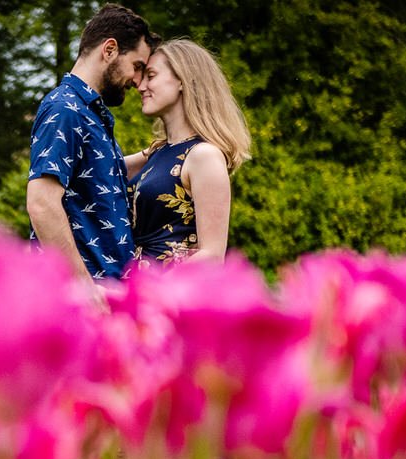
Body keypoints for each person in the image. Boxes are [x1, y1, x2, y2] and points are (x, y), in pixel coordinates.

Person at [26, 5, 159, 286]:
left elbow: (98, 177)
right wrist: (84, 286)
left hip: (105, 291)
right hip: (82, 297)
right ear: (109, 49)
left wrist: (156, 153)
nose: (137, 82)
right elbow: (41, 203)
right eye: (137, 67)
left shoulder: (87, 112)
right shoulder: (65, 108)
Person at [124, 38, 251, 270]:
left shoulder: (204, 155)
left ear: (183, 81)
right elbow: (107, 170)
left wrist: (153, 292)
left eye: (151, 76)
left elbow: (212, 255)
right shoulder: (158, 152)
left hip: (172, 296)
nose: (141, 87)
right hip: (137, 289)